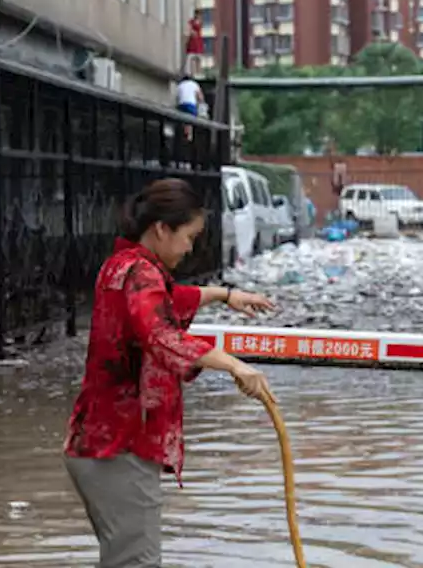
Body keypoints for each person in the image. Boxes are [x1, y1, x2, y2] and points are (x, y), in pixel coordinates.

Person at [64, 178, 276, 567]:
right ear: (161, 229)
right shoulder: (140, 274)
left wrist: (226, 295)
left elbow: (164, 301)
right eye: (189, 236)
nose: (190, 247)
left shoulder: (123, 266)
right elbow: (160, 334)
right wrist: (234, 365)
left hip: (98, 441)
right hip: (120, 447)